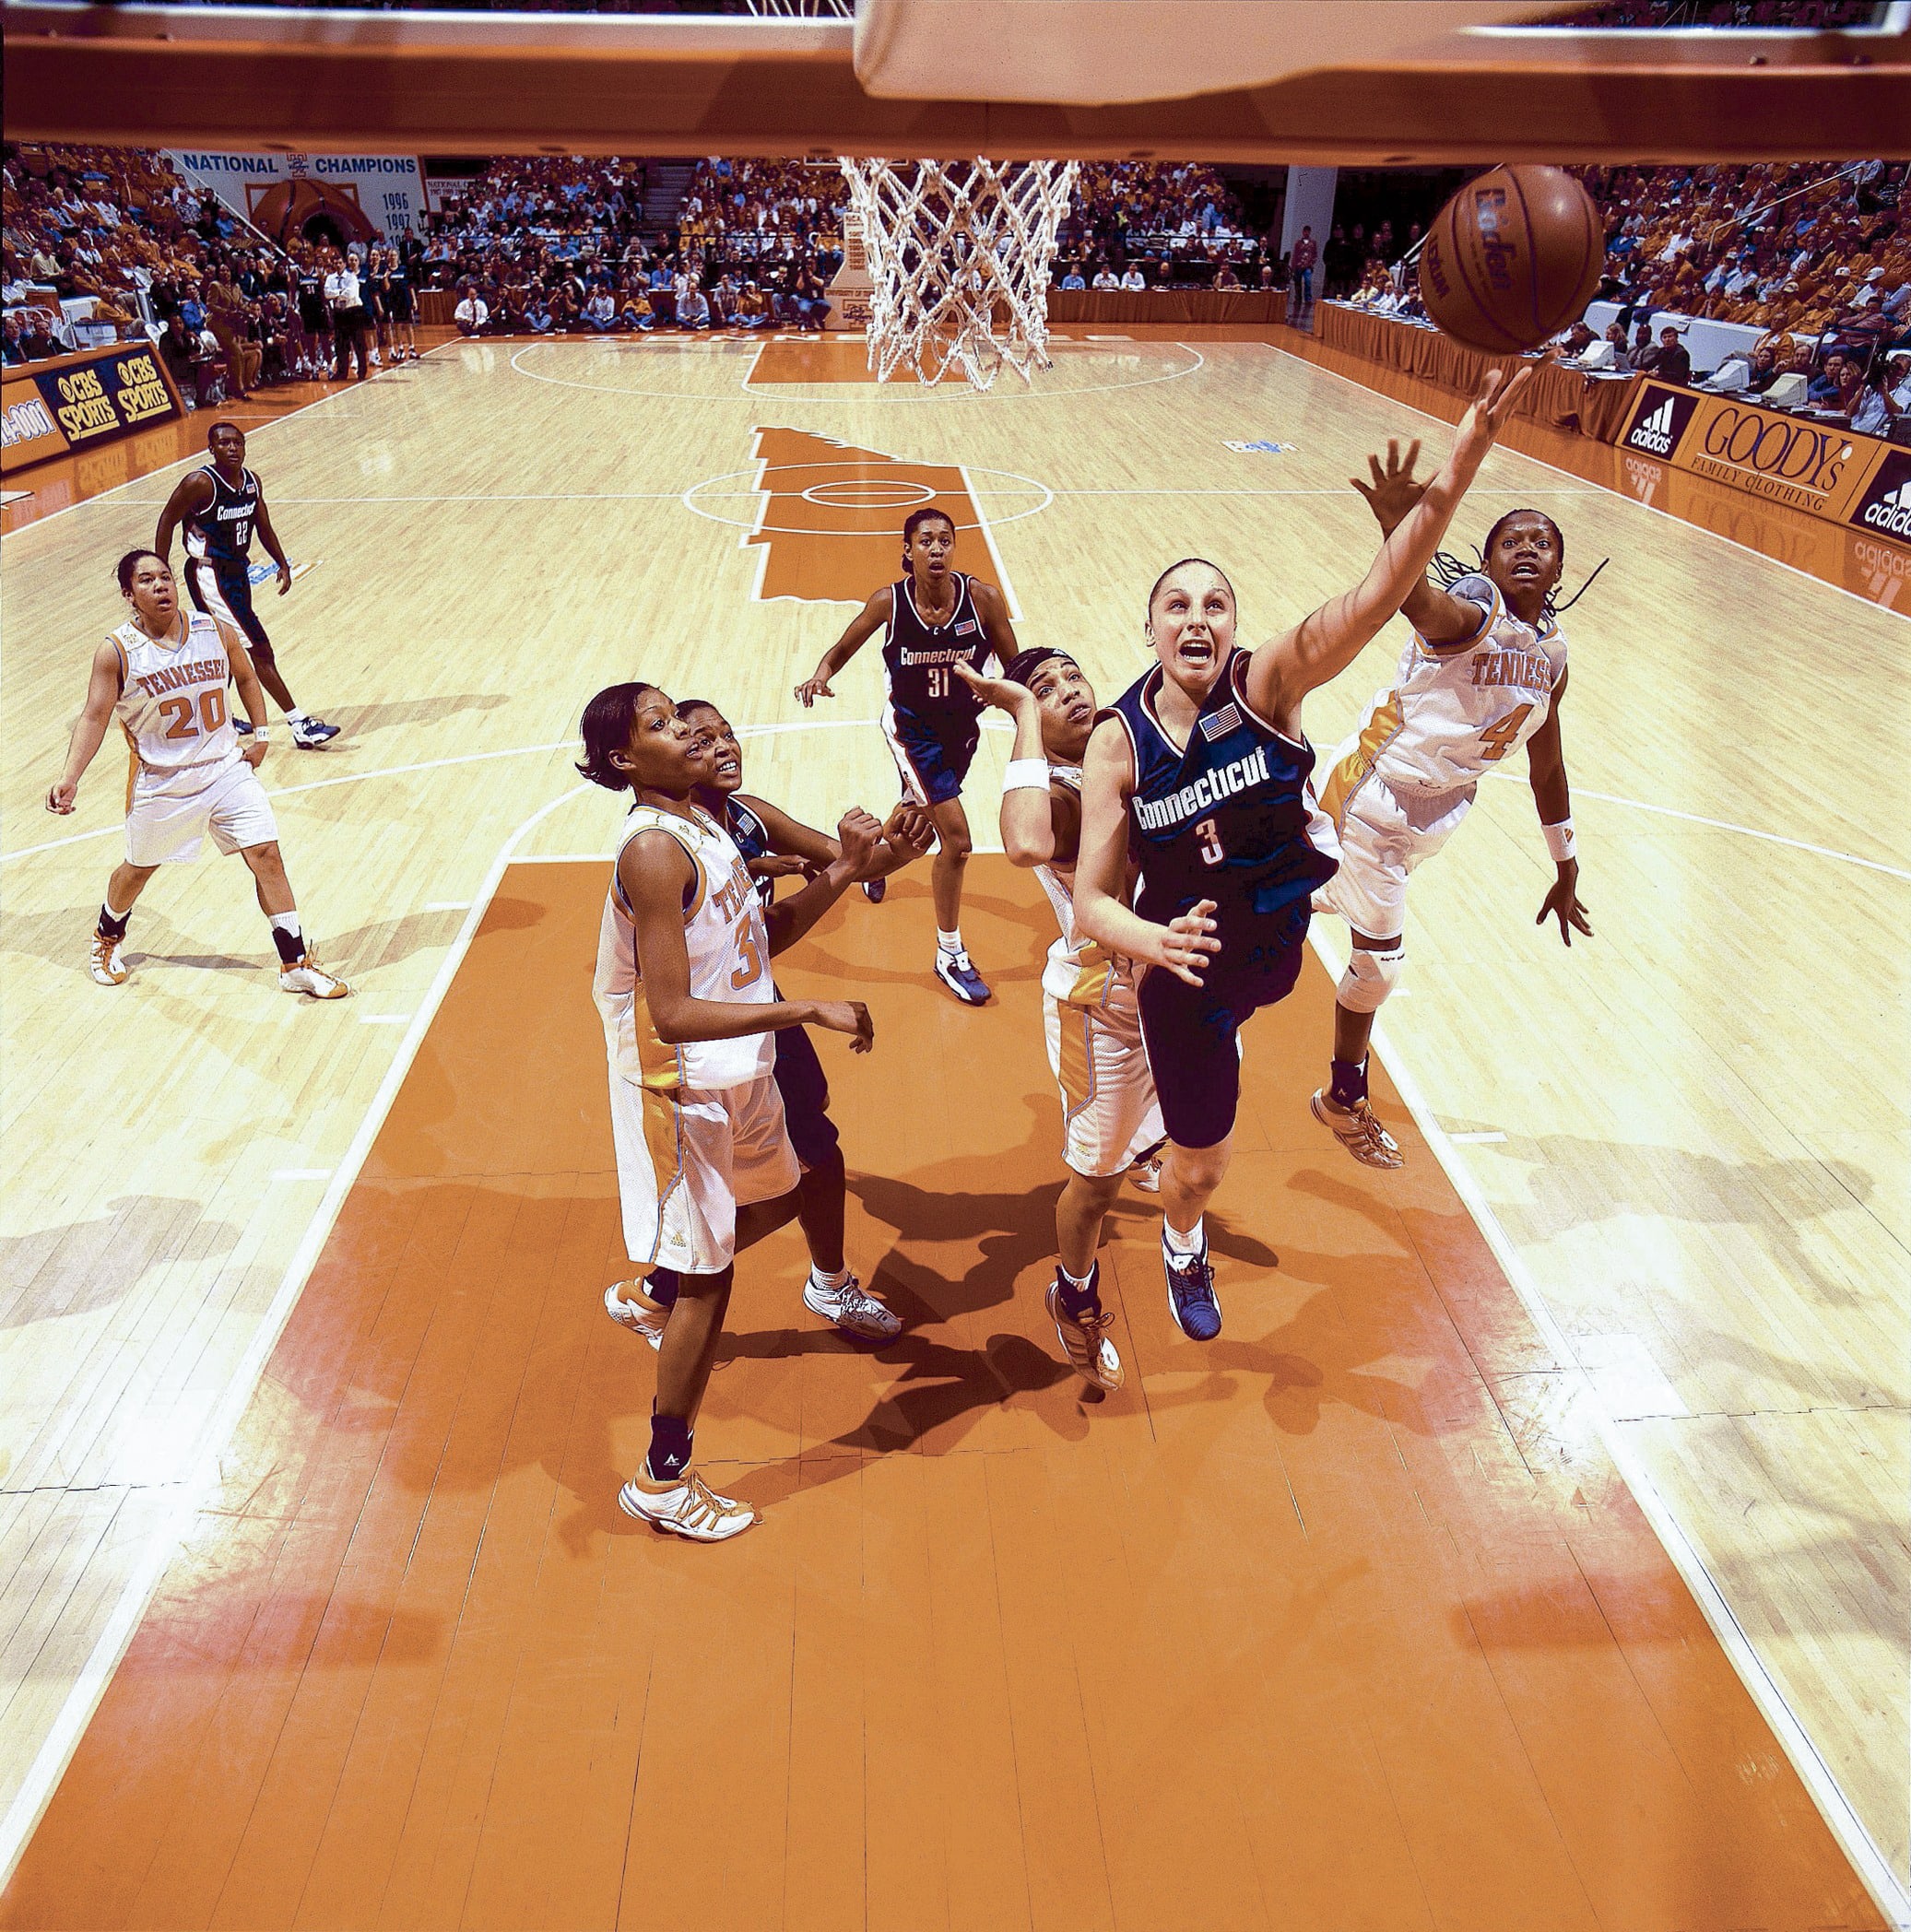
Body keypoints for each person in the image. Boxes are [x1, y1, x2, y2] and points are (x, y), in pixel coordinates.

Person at [1070, 368, 1530, 1342]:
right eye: (1177, 607)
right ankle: (1183, 1241)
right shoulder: (1119, 740)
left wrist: (1464, 460)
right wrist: (1148, 936)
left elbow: (1374, 599)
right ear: (1150, 627)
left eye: (1216, 605)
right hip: (1186, 975)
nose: (1197, 619)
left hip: (1274, 950)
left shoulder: (1267, 683)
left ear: (1233, 625)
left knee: (1314, 981)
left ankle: (1228, 1094)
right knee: (1202, 1166)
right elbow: (1089, 907)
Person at [579, 681, 879, 1542]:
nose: (687, 732)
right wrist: (803, 1011)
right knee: (712, 1287)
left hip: (739, 1066)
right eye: (663, 726)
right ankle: (660, 1479)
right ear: (624, 761)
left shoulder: (707, 824)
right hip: (689, 1080)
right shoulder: (651, 852)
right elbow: (671, 1012)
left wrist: (849, 868)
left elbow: (759, 942)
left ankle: (657, 1285)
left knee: (798, 1185)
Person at [620, 697, 936, 1342]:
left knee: (813, 1148)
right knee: (771, 1175)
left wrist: (897, 850)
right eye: (700, 738)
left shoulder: (746, 816)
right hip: (696, 1031)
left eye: (726, 734)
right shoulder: (662, 846)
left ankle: (819, 1283)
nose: (720, 746)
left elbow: (844, 865)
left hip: (754, 1004)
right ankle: (666, 1290)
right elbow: (745, 950)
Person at [1310, 503, 1591, 1168]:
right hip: (1369, 794)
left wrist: (1566, 863)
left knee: (1291, 903)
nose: (1527, 549)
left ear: (1558, 566)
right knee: (1378, 963)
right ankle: (1341, 1098)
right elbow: (1417, 602)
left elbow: (1545, 766)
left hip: (1433, 815)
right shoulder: (1472, 612)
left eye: (1542, 542)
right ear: (1488, 561)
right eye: (1511, 541)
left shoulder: (1551, 656)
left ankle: (1195, 899)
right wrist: (1398, 531)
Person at [960, 648, 1167, 1393]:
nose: (1066, 692)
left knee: (1193, 1124)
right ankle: (1073, 1293)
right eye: (1042, 691)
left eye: (1071, 676)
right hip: (1099, 1003)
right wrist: (1016, 714)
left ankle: (1151, 1146)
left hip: (1175, 982)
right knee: (1096, 1184)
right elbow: (1024, 844)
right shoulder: (1054, 789)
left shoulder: (1133, 741)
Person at [44, 549, 350, 998]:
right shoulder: (117, 652)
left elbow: (246, 677)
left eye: (166, 577)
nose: (161, 585)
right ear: (130, 595)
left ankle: (294, 963)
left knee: (266, 854)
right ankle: (106, 937)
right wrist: (70, 777)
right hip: (164, 781)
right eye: (147, 581)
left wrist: (262, 733)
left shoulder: (213, 630)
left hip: (226, 770)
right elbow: (94, 716)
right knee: (139, 870)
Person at [795, 507, 1019, 1007]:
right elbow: (842, 647)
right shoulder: (889, 603)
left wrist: (1005, 694)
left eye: (945, 541)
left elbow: (1015, 667)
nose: (937, 549)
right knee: (955, 841)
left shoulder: (982, 600)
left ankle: (869, 868)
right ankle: (949, 953)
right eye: (926, 541)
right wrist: (821, 675)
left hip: (960, 731)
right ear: (908, 552)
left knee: (914, 823)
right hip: (911, 733)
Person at [155, 420, 341, 749]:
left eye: (237, 443)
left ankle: (212, 718)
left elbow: (262, 525)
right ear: (211, 449)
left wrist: (282, 561)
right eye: (223, 443)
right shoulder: (200, 483)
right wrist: (160, 568)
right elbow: (167, 520)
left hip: (236, 573)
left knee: (224, 648)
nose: (231, 448)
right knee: (258, 648)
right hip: (210, 575)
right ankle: (299, 724)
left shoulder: (252, 482)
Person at [324, 248, 370, 380]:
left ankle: (362, 372)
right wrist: (340, 293)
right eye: (335, 263)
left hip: (353, 311)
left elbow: (351, 294)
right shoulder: (330, 278)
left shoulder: (352, 277)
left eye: (340, 263)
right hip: (339, 313)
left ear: (344, 264)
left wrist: (336, 294)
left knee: (358, 343)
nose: (338, 265)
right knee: (341, 344)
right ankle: (341, 372)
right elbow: (327, 293)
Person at [1289, 225, 1317, 310]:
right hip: (1299, 265)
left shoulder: (1313, 243)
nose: (1306, 233)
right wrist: (1293, 266)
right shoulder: (1298, 243)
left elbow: (1315, 254)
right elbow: (1295, 254)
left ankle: (1308, 299)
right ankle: (1298, 298)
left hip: (1307, 266)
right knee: (1298, 282)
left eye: (1308, 231)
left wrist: (1312, 263)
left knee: (1308, 282)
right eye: (1305, 231)